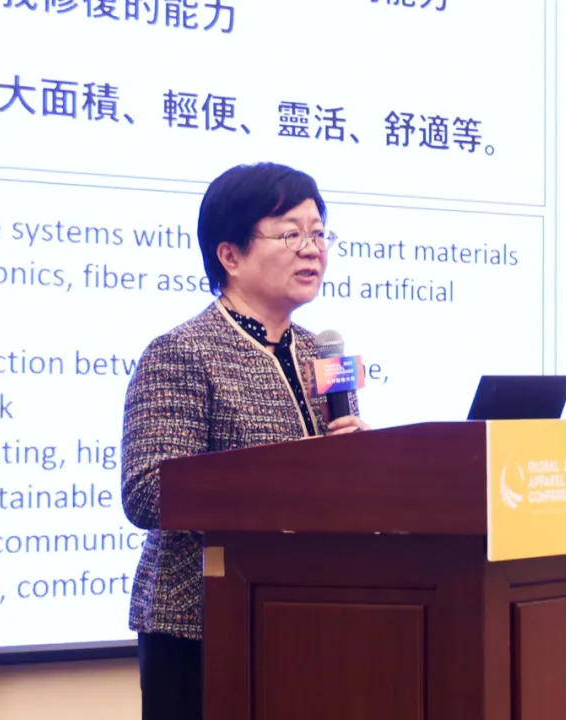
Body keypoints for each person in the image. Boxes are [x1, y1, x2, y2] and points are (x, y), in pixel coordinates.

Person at [120, 162, 369, 720]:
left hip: (313, 611)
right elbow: (147, 491)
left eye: (319, 232)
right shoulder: (182, 352)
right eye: (291, 234)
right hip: (202, 622)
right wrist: (287, 481)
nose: (313, 249)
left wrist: (365, 461)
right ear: (229, 255)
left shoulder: (324, 352)